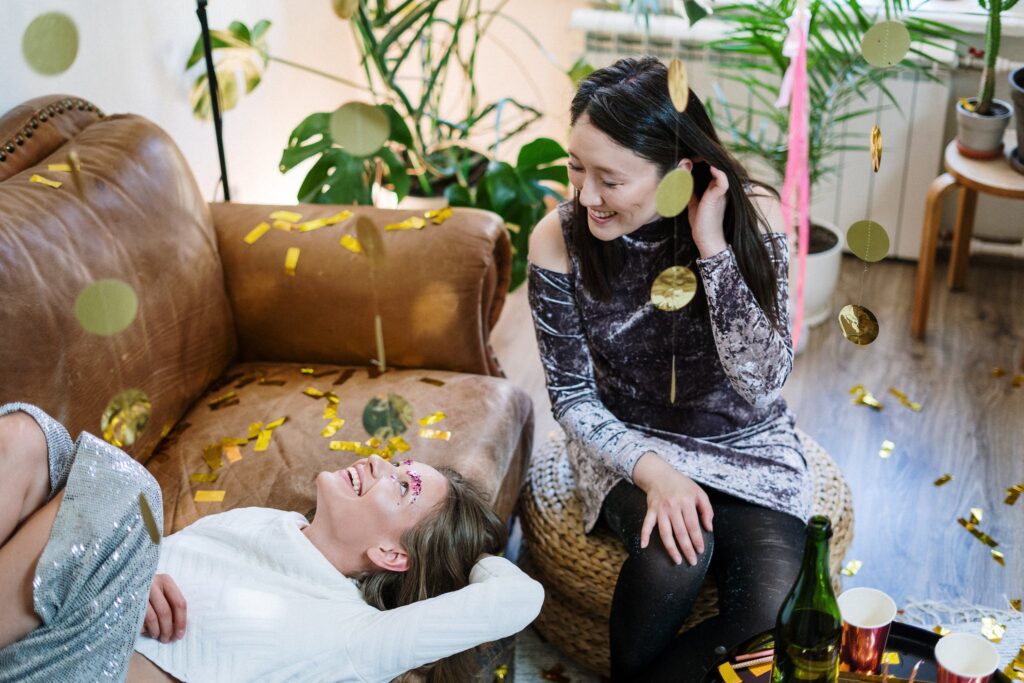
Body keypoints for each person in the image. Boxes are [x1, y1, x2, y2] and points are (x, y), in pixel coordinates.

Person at [527, 56, 813, 681]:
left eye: (610, 179)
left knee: (772, 614)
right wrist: (655, 474)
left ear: (679, 174)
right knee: (676, 560)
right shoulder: (557, 237)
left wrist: (712, 248)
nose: (586, 196)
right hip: (628, 441)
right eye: (577, 168)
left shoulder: (752, 218)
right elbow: (572, 397)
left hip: (748, 444)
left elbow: (764, 380)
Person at [0, 402, 543, 683]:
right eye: (398, 465)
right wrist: (132, 578)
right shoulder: (266, 523)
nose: (380, 462)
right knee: (29, 437)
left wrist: (467, 556)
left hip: (81, 670)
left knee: (129, 489)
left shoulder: (357, 637)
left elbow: (519, 598)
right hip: (56, 624)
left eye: (402, 487)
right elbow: (137, 569)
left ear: (393, 555)